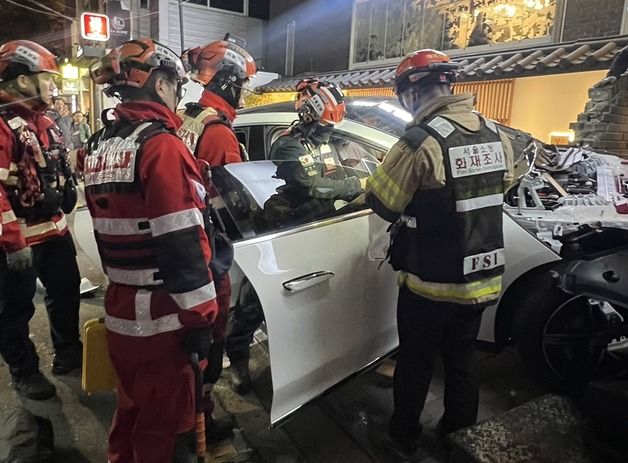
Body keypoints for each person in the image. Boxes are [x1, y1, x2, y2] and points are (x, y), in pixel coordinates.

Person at [365, 49, 514, 458]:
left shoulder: (421, 142)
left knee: (415, 361)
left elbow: (382, 200)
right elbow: (507, 182)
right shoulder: (496, 133)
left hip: (429, 282)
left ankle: (403, 436)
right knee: (463, 361)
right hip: (480, 278)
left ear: (411, 94)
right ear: (449, 85)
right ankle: (457, 437)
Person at [86, 38, 219, 463]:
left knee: (130, 413)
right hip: (163, 318)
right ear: (160, 85)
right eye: (175, 86)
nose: (178, 96)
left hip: (121, 307)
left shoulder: (99, 145)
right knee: (165, 428)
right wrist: (202, 318)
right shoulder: (161, 146)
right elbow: (180, 239)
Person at [179, 34, 256, 434]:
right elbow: (232, 203)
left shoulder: (188, 117)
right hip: (210, 251)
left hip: (186, 245)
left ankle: (188, 417)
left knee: (190, 345)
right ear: (228, 81)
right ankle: (201, 422)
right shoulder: (220, 131)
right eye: (241, 85)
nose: (243, 94)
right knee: (212, 338)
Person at [0, 39, 81, 395]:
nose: (54, 85)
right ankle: (23, 369)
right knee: (14, 311)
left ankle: (67, 352)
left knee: (66, 292)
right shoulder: (3, 126)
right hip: (19, 238)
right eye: (47, 78)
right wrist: (12, 241)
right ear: (22, 80)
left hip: (55, 230)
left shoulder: (45, 123)